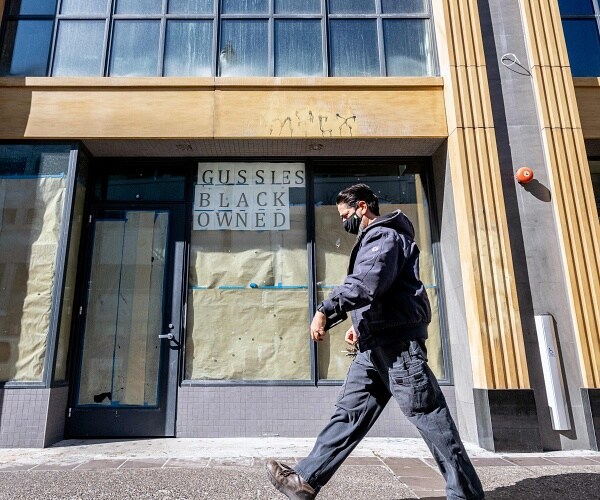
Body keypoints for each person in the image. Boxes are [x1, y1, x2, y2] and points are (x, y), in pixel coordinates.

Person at [266, 184, 485, 500]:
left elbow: (367, 283)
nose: (345, 222)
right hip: (374, 345)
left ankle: (465, 494)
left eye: (346, 215)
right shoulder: (379, 239)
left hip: (397, 347)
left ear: (363, 207)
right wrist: (360, 325)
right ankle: (305, 479)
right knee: (349, 413)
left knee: (430, 417)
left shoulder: (383, 237)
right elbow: (380, 291)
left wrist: (326, 310)